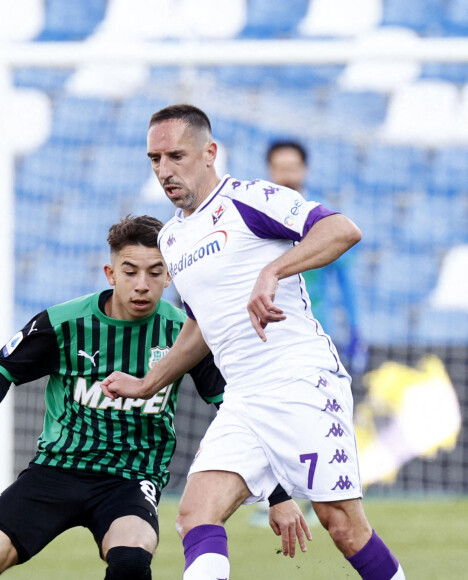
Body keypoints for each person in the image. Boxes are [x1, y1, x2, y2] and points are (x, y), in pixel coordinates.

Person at [101, 105, 406, 580]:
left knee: (342, 526)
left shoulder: (249, 199)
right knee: (195, 514)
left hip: (300, 380)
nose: (164, 170)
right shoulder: (174, 240)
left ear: (209, 152)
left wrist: (273, 269)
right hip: (243, 399)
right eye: (154, 159)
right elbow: (200, 327)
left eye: (175, 155)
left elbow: (342, 229)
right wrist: (147, 383)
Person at [0, 214, 306, 580]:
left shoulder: (186, 333)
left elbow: (234, 410)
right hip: (56, 470)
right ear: (110, 273)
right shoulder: (64, 323)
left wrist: (277, 494)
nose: (142, 285)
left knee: (131, 560)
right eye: (130, 271)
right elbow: (2, 370)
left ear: (170, 277)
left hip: (131, 479)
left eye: (155, 272)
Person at [266, 140, 367, 376]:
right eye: (280, 168)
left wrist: (355, 329)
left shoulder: (325, 219)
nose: (286, 176)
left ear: (305, 170)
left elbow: (346, 279)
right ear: (270, 171)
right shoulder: (259, 218)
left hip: (316, 327)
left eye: (292, 168)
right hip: (270, 332)